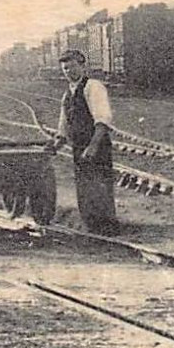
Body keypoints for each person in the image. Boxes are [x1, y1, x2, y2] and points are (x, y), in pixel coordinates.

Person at [48, 49, 119, 234]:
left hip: (97, 145)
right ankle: (92, 229)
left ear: (82, 66)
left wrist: (93, 146)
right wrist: (55, 146)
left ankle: (107, 229)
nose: (68, 72)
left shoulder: (93, 87)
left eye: (72, 67)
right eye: (65, 69)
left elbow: (103, 120)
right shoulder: (67, 95)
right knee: (84, 188)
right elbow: (63, 127)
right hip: (79, 148)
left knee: (100, 187)